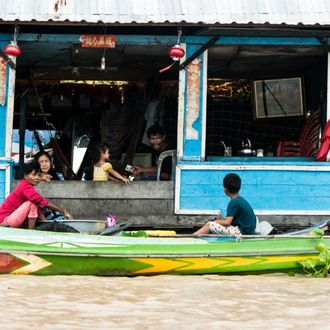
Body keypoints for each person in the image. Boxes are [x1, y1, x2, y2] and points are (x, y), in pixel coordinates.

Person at [0, 160, 73, 229]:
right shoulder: (25, 187)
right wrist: (63, 211)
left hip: (7, 220)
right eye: (34, 175)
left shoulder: (25, 185)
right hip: (5, 222)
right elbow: (43, 202)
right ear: (25, 176)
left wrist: (46, 224)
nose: (37, 178)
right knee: (32, 204)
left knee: (35, 205)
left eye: (39, 175)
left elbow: (38, 210)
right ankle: (31, 233)